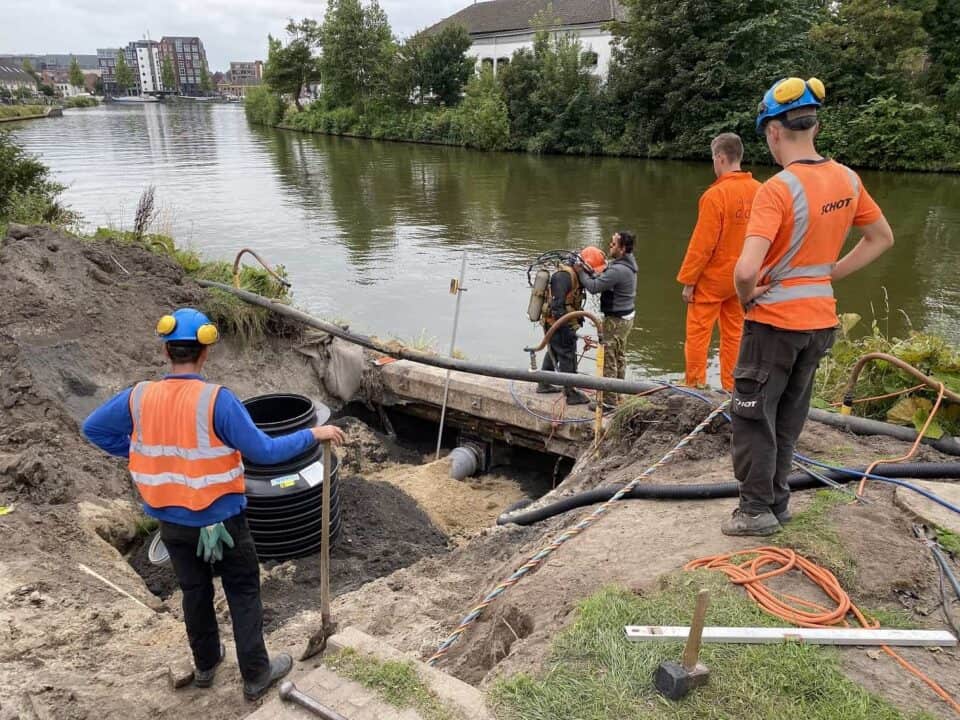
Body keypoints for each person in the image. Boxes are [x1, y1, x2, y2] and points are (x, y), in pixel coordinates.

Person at [82, 308, 347, 700]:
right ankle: (256, 674)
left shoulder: (138, 397)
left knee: (194, 591)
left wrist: (139, 452)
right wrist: (314, 433)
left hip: (171, 523)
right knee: (242, 590)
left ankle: (206, 665)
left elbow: (93, 428)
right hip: (223, 521)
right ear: (205, 353)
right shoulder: (215, 400)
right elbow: (265, 450)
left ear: (167, 351)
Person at [723, 77, 894, 536]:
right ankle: (777, 504)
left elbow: (745, 271)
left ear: (774, 132)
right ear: (813, 127)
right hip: (819, 322)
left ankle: (755, 511)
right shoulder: (847, 179)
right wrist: (831, 272)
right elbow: (881, 238)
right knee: (788, 417)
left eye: (767, 138)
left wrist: (746, 297)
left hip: (774, 324)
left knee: (752, 415)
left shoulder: (777, 188)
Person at [677, 133, 761, 391]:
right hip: (743, 278)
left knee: (698, 335)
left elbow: (702, 245)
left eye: (714, 159)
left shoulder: (716, 195)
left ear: (720, 158)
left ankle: (695, 385)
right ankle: (731, 387)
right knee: (735, 334)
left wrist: (689, 280)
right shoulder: (760, 190)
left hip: (713, 280)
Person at [537, 247, 607, 405]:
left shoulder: (574, 275)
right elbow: (557, 306)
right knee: (567, 353)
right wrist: (565, 328)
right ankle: (570, 393)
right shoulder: (563, 276)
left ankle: (544, 382)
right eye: (591, 271)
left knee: (555, 349)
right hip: (557, 322)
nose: (591, 275)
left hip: (558, 321)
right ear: (583, 266)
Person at [576, 231, 638, 405]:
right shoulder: (627, 264)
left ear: (622, 248)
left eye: (613, 244)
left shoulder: (618, 270)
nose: (609, 246)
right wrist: (592, 271)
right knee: (619, 356)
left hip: (615, 321)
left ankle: (608, 403)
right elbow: (604, 277)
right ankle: (619, 394)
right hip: (627, 318)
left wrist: (581, 272)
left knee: (608, 360)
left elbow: (594, 287)